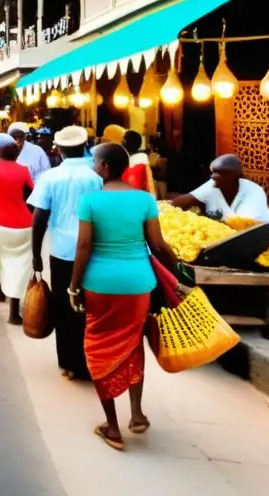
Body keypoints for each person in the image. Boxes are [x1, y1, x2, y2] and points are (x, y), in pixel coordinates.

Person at [69, 143, 179, 451]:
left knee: (97, 347)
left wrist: (73, 286)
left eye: (95, 161)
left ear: (104, 167)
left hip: (100, 284)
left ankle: (112, 427)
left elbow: (84, 247)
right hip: (138, 284)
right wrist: (179, 273)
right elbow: (157, 244)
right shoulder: (144, 199)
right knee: (133, 343)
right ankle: (137, 414)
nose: (93, 165)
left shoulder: (90, 201)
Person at [29, 125, 103, 381]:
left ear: (58, 150)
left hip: (61, 251)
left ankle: (70, 362)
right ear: (85, 146)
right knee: (92, 307)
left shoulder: (51, 177)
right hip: (96, 250)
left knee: (65, 305)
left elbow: (39, 219)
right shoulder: (98, 175)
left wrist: (36, 253)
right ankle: (93, 360)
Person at [0, 133, 34, 325]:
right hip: (23, 225)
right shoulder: (24, 170)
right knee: (19, 266)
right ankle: (14, 311)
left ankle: (0, 290)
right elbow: (31, 194)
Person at [170, 154, 269, 224]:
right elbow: (180, 202)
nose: (213, 177)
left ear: (235, 176)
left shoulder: (253, 192)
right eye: (213, 172)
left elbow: (241, 227)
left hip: (259, 242)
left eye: (220, 173)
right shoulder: (214, 185)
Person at [122, 130, 156, 196]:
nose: (122, 142)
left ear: (126, 142)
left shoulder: (134, 160)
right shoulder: (143, 157)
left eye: (123, 140)